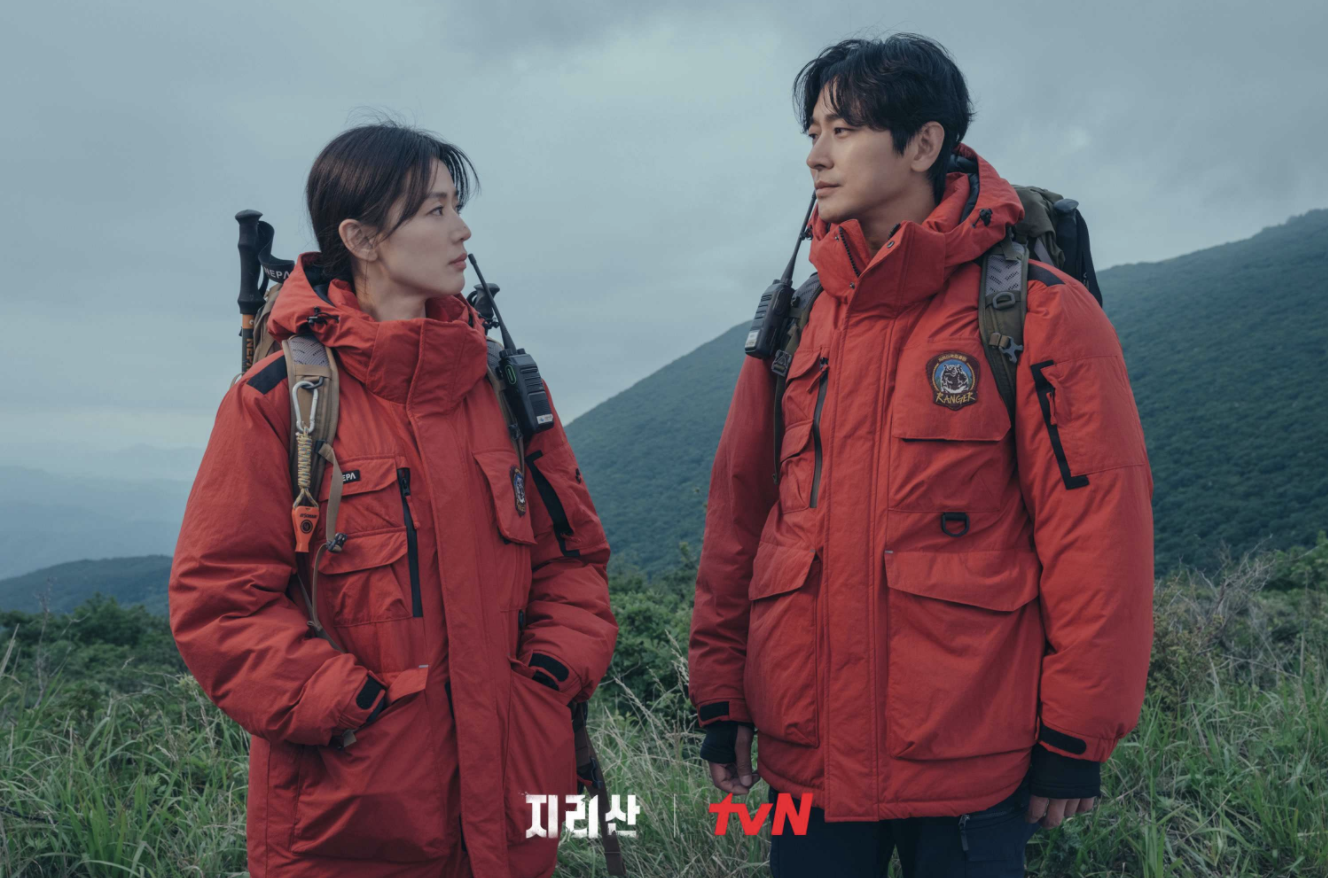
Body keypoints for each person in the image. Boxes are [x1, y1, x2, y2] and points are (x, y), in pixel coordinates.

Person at [688, 35, 1154, 878]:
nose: (816, 156)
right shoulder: (799, 318)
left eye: (842, 131)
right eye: (813, 133)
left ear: (924, 144)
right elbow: (742, 517)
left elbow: (1098, 533)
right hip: (809, 760)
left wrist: (1077, 732)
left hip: (972, 760)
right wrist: (721, 693)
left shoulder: (1040, 313)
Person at [170, 122, 617, 878]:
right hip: (350, 825)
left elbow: (572, 559)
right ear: (362, 238)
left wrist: (544, 681)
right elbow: (220, 602)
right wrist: (352, 708)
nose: (461, 229)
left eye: (456, 206)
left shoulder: (502, 388)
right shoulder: (280, 401)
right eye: (435, 210)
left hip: (512, 808)